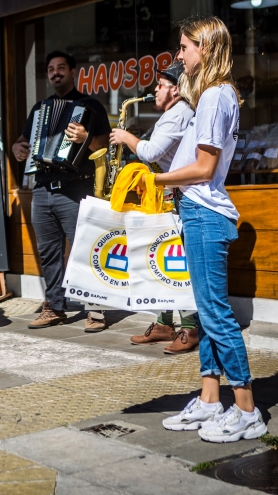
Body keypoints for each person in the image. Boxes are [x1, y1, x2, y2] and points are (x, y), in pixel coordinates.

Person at [155, 16, 266, 442]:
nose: (179, 55)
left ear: (205, 48)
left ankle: (246, 408)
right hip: (198, 211)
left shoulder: (216, 97)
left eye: (184, 47)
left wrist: (155, 180)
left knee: (218, 315)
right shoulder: (215, 96)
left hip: (204, 212)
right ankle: (207, 400)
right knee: (206, 313)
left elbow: (203, 168)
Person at [11, 51, 112, 332]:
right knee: (49, 253)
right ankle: (55, 307)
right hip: (43, 188)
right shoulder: (40, 109)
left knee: (83, 249)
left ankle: (95, 309)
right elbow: (23, 141)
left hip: (75, 187)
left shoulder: (90, 106)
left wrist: (85, 138)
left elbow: (106, 143)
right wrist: (17, 148)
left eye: (61, 68)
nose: (56, 73)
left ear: (72, 71)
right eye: (51, 69)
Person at [109, 61, 198, 355]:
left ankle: (189, 328)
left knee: (176, 261)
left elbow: (150, 151)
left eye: (160, 85)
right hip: (167, 196)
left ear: (175, 88)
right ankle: (163, 322)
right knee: (160, 257)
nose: (155, 90)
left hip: (181, 195)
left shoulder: (180, 113)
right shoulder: (172, 114)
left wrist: (125, 137)